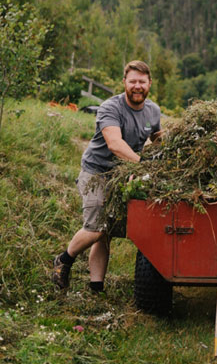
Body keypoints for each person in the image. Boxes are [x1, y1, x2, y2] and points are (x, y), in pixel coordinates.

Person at [52, 60, 162, 293]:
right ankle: (64, 260)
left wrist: (168, 152)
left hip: (123, 175)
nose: (137, 86)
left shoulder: (153, 110)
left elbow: (157, 136)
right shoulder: (110, 108)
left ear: (149, 83)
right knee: (97, 227)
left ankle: (96, 287)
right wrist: (144, 164)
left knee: (106, 233)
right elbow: (114, 144)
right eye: (132, 81)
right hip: (97, 173)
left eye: (142, 82)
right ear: (124, 83)